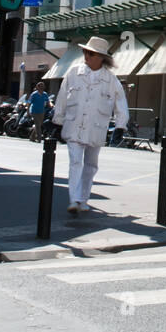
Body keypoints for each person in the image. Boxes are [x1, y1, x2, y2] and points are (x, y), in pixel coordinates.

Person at [53, 35, 129, 215]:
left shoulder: (111, 80)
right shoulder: (73, 73)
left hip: (96, 128)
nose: (87, 56)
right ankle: (74, 199)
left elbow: (121, 103)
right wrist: (57, 121)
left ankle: (83, 199)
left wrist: (120, 126)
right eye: (86, 52)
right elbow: (62, 98)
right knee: (75, 162)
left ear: (102, 57)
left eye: (91, 54)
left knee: (91, 165)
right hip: (74, 126)